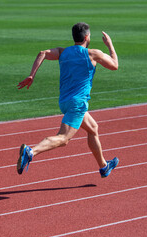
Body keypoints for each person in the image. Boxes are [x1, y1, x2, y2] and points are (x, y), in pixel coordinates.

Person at [17, 22, 119, 178]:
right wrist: (110, 45)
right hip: (77, 103)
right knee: (63, 138)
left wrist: (32, 75)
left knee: (93, 128)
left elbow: (43, 53)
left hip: (64, 102)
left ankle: (104, 166)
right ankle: (31, 151)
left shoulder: (62, 52)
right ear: (86, 37)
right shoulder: (93, 54)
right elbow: (115, 66)